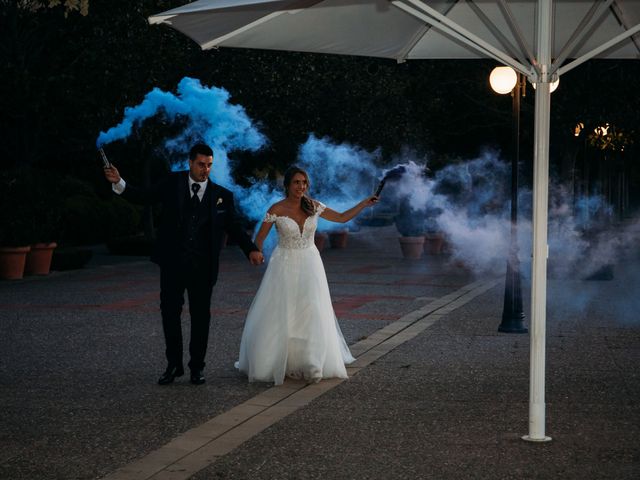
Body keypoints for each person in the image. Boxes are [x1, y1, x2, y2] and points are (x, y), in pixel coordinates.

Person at [103, 143, 264, 385]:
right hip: (173, 264)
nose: (205, 170)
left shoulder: (222, 196)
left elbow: (235, 228)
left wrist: (251, 249)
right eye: (201, 164)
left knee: (201, 318)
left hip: (204, 267)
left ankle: (197, 368)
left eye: (209, 165)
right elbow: (144, 197)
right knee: (169, 314)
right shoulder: (172, 183)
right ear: (190, 162)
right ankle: (174, 365)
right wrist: (119, 182)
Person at [235, 166, 378, 385]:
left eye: (304, 183)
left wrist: (362, 204)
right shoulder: (276, 208)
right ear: (287, 185)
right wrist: (257, 252)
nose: (301, 186)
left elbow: (340, 218)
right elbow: (260, 237)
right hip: (284, 263)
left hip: (311, 263)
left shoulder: (314, 206)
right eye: (296, 182)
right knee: (283, 309)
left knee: (311, 308)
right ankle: (275, 359)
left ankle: (311, 361)